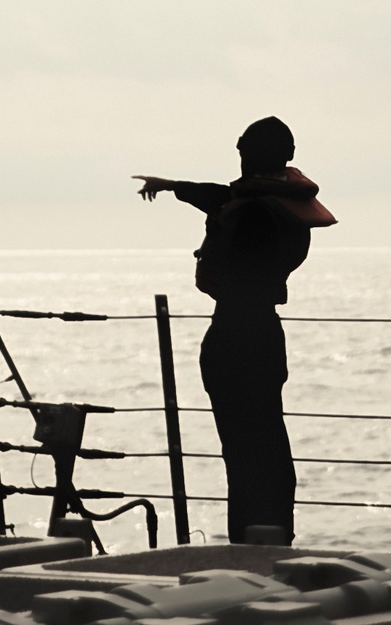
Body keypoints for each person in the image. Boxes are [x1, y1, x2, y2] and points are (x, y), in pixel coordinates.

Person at [134, 116, 335, 544]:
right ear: (290, 157)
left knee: (245, 452)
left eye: (242, 149)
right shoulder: (282, 205)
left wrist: (213, 250)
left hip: (235, 334)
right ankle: (273, 534)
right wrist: (173, 186)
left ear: (245, 153)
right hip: (265, 333)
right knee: (269, 442)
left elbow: (228, 213)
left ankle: (251, 541)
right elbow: (221, 197)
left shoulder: (254, 214)